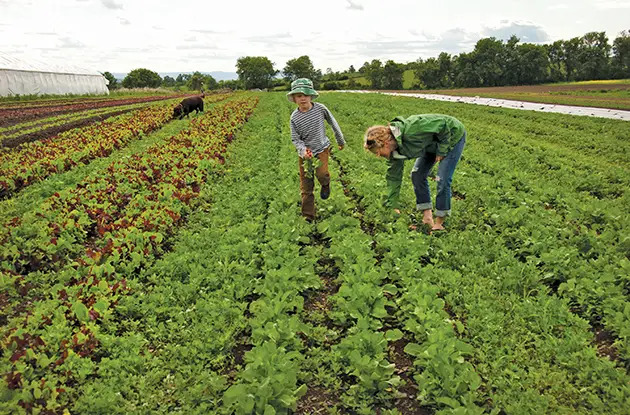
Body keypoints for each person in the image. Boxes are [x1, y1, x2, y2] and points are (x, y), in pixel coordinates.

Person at [363, 114, 466, 231]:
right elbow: (393, 178)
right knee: (417, 174)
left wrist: (442, 150)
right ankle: (427, 218)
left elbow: (444, 125)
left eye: (378, 152)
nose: (379, 156)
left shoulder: (412, 128)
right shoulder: (394, 151)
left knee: (441, 178)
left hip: (451, 136)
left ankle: (439, 223)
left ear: (385, 143)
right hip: (430, 144)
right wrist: (393, 205)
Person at [288, 78, 345, 221]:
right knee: (306, 185)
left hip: (321, 149)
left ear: (311, 96)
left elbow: (333, 123)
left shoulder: (320, 109)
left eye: (306, 95)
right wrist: (303, 151)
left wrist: (340, 140)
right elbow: (296, 139)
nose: (303, 99)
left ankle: (325, 184)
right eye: (299, 96)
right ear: (294, 98)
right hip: (305, 154)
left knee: (322, 173)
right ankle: (308, 216)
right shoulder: (294, 118)